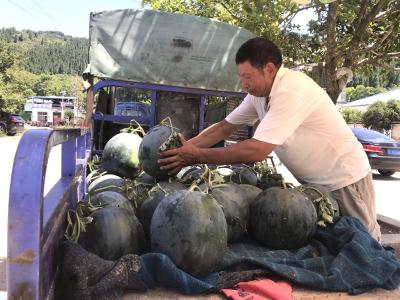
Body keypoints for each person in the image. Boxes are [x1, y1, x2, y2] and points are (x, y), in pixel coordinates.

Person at [158, 37, 381, 241]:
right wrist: (184, 150)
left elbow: (258, 150)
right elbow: (224, 128)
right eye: (241, 77)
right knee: (336, 244)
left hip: (344, 180)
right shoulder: (258, 95)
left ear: (270, 69)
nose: (244, 83)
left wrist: (197, 157)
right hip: (314, 185)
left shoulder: (291, 90)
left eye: (248, 77)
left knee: (364, 245)